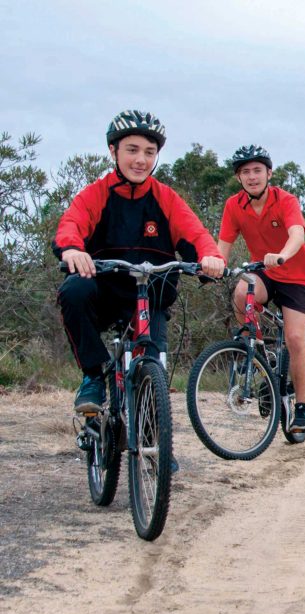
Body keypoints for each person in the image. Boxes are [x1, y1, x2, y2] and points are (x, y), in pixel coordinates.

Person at [54, 110, 225, 413]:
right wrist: (71, 250)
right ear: (113, 151)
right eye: (132, 150)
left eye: (149, 152)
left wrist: (209, 258)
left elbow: (194, 233)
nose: (140, 160)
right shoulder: (97, 194)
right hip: (105, 292)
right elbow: (72, 224)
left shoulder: (165, 198)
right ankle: (93, 376)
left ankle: (155, 453)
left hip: (150, 297)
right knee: (73, 290)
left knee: (152, 371)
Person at [217, 145, 305, 433]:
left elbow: (296, 234)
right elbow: (222, 246)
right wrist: (212, 265)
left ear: (269, 173)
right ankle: (257, 351)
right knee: (241, 290)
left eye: (257, 170)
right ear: (239, 178)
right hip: (264, 272)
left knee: (295, 337)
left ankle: (302, 407)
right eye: (245, 172)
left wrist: (283, 254)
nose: (252, 177)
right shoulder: (233, 205)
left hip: (296, 276)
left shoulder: (285, 200)